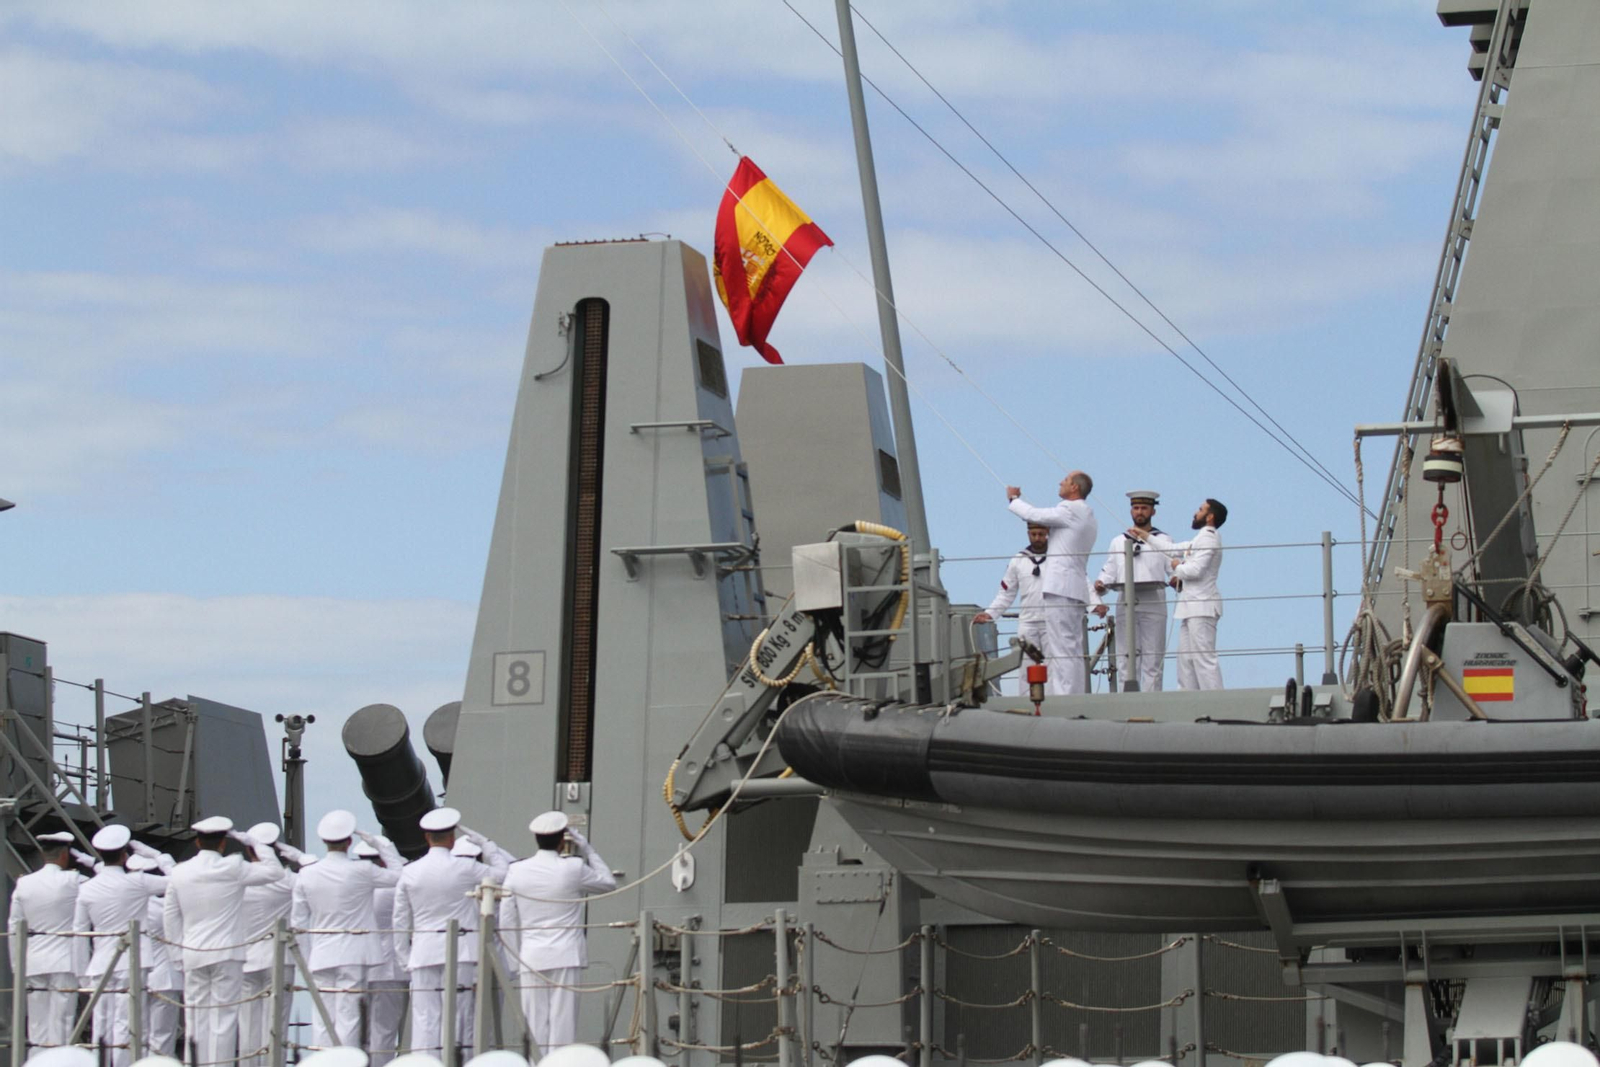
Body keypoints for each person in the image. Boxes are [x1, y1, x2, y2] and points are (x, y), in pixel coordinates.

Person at [163, 816, 290, 1067]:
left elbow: (170, 915)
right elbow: (274, 871)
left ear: (198, 842)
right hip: (227, 953)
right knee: (224, 1017)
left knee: (196, 1017)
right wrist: (254, 841)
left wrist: (177, 954)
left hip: (193, 953)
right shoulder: (232, 866)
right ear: (223, 843)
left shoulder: (179, 872)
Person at [392, 807, 512, 1059]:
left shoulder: (410, 871)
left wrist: (405, 958)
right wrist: (486, 844)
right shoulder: (466, 867)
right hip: (462, 952)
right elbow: (503, 873)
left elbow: (400, 921)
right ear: (451, 837)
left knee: (425, 1020)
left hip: (423, 954)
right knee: (461, 1016)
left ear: (427, 837)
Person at [498, 812, 617, 1056]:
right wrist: (588, 849)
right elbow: (608, 882)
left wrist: (513, 961)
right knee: (563, 1026)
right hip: (565, 955)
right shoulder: (573, 868)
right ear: (562, 840)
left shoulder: (517, 871)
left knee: (534, 1027)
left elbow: (506, 920)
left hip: (530, 958)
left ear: (536, 839)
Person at [289, 810, 403, 1051]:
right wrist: (380, 844)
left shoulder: (307, 875)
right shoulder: (361, 871)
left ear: (324, 841)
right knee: (349, 1019)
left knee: (322, 1020)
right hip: (354, 954)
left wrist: (308, 958)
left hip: (320, 955)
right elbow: (398, 875)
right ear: (349, 842)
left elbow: (298, 924)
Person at [75, 824, 172, 1067]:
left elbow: (78, 934)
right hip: (132, 962)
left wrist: (81, 976)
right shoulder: (137, 882)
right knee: (126, 1024)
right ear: (124, 855)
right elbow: (179, 879)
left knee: (101, 1023)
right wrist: (160, 857)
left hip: (99, 964)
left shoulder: (86, 889)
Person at [1004, 472, 1099, 694]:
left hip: (1061, 588)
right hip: (1074, 588)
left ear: (1074, 488)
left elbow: (1035, 514)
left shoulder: (1070, 509)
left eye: (1065, 481)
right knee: (1072, 647)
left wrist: (1014, 499)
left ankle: (1064, 697)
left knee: (1061, 647)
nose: (1060, 483)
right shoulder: (1088, 515)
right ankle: (1073, 693)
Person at [9, 831, 87, 1052]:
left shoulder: (24, 883)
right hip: (64, 959)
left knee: (37, 1026)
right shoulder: (73, 880)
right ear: (64, 854)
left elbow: (15, 927)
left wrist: (18, 966)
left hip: (34, 962)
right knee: (61, 1023)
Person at [1092, 491, 1176, 692]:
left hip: (1153, 602)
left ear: (1153, 511)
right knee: (1125, 657)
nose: (1140, 512)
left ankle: (1151, 703)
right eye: (1136, 508)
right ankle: (1126, 702)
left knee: (1153, 658)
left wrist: (1176, 577)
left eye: (1144, 508)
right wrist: (1100, 585)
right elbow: (1109, 571)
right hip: (1126, 602)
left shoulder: (1163, 539)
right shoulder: (1118, 541)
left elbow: (1172, 567)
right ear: (1131, 510)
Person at [237, 823, 303, 1067]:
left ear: (249, 850)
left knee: (247, 1026)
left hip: (246, 958)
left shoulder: (239, 877)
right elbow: (317, 876)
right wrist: (295, 855)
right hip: (279, 958)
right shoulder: (287, 880)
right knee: (276, 1025)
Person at [972, 525, 1050, 689]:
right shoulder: (1018, 561)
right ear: (1028, 534)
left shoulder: (1058, 558)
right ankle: (1026, 705)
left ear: (1047, 534)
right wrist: (990, 614)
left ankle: (1055, 703)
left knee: (1054, 667)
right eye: (1034, 534)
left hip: (1052, 621)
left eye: (1041, 534)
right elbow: (1006, 593)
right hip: (1028, 622)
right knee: (1026, 667)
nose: (1037, 538)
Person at [352, 840, 407, 1067]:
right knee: (384, 1031)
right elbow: (404, 875)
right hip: (389, 968)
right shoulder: (391, 888)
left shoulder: (354, 889)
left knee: (356, 1030)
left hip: (358, 965)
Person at [1170, 498, 1228, 690]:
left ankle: (1216, 704)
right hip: (1191, 607)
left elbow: (1196, 571)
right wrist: (1145, 536)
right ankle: (1189, 702)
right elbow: (1172, 548)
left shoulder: (1209, 537)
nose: (1196, 512)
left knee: (1204, 659)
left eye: (1201, 509)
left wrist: (1178, 567)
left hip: (1202, 605)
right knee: (1186, 660)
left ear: (1210, 516)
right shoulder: (1200, 539)